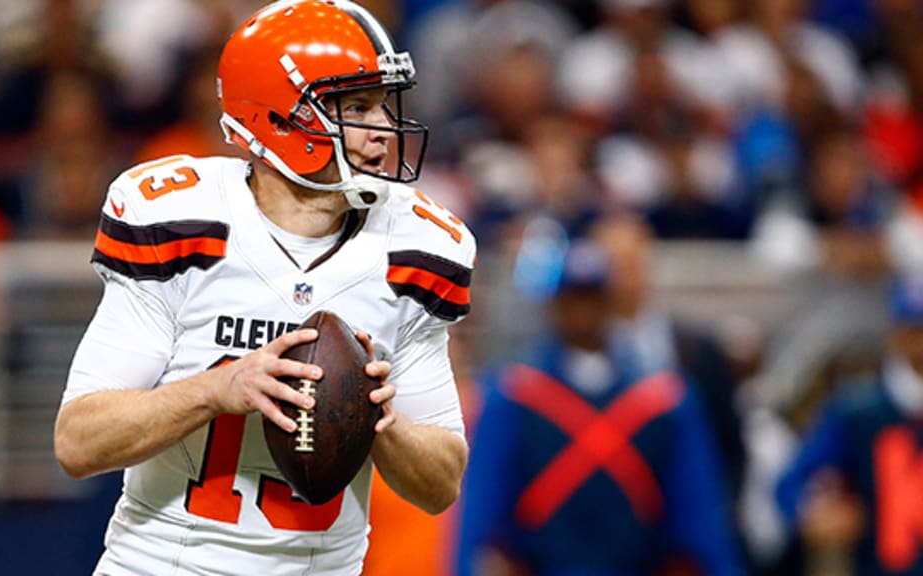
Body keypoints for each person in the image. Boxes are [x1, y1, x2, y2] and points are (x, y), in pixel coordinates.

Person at [53, 1, 476, 575]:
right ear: (278, 117)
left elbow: (441, 484)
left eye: (382, 105)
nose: (382, 130)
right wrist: (219, 387)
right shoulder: (181, 221)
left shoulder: (417, 250)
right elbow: (79, 443)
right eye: (356, 106)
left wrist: (374, 419)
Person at [456, 239, 744, 576]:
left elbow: (701, 515)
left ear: (611, 304)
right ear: (555, 305)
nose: (583, 312)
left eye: (593, 299)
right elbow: (479, 509)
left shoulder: (664, 398)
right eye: (573, 299)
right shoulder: (513, 393)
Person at [775, 271, 923, 575]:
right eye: (915, 331)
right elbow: (790, 482)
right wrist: (813, 513)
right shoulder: (858, 410)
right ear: (894, 332)